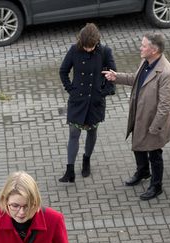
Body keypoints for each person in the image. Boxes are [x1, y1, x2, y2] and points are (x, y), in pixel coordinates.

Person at [103, 33, 170, 200]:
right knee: (137, 145)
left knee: (154, 153)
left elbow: (166, 105)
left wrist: (154, 128)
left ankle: (156, 186)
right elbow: (136, 80)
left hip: (153, 122)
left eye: (143, 46)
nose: (140, 47)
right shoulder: (146, 62)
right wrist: (117, 77)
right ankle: (143, 171)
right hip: (139, 116)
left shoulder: (167, 73)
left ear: (154, 50)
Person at [58, 23, 116, 182]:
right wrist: (71, 89)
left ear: (97, 42)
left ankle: (86, 159)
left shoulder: (105, 52)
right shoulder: (74, 50)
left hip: (94, 102)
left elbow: (112, 75)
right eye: (86, 47)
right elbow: (63, 71)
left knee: (92, 132)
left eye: (91, 47)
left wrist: (104, 92)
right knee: (74, 133)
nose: (88, 49)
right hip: (78, 100)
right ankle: (69, 170)